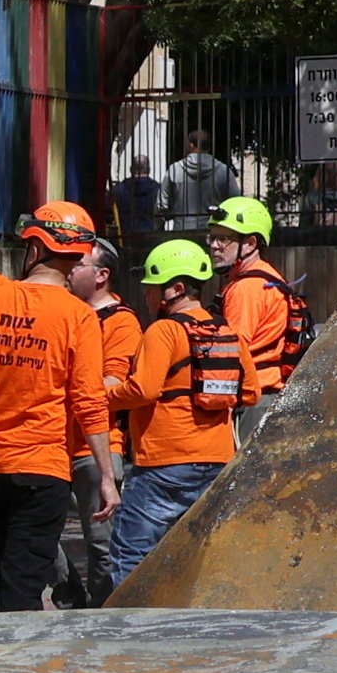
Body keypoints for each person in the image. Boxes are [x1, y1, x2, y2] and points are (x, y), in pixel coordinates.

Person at [0, 201, 118, 613]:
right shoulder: (79, 317)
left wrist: (5, 377)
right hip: (43, 470)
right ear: (71, 261)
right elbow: (89, 402)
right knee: (22, 582)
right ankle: (17, 667)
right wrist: (106, 476)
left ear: (34, 250)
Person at [103, 236, 251, 575]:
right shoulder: (228, 332)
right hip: (216, 460)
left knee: (132, 556)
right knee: (197, 561)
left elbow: (143, 389)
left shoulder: (163, 331)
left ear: (177, 289)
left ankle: (133, 626)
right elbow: (250, 391)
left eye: (153, 286)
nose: (146, 293)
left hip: (163, 462)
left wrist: (101, 397)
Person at [207, 193, 307, 386]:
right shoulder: (267, 276)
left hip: (252, 393)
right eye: (212, 237)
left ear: (250, 244)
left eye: (223, 238)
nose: (214, 246)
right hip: (267, 387)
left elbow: (232, 350)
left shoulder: (246, 288)